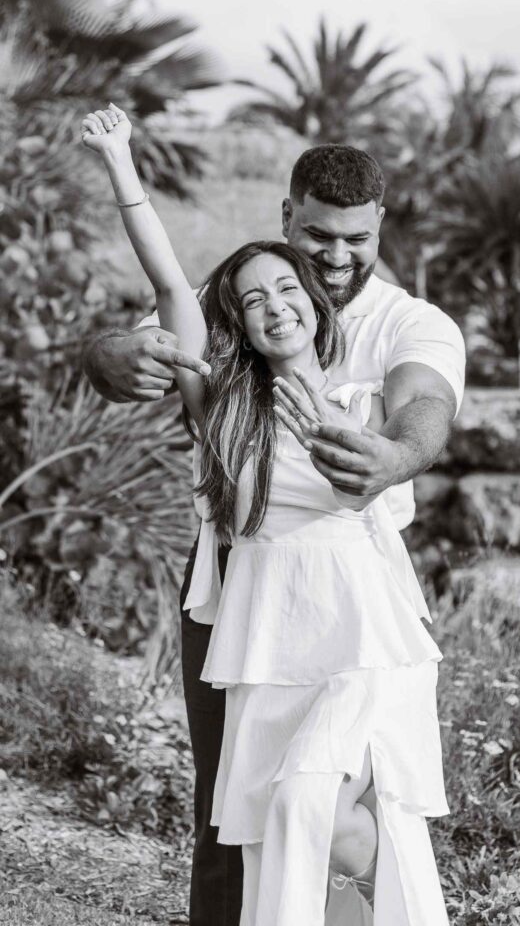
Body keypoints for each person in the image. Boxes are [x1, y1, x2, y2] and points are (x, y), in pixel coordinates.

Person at [82, 105, 465, 926]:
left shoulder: (387, 345)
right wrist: (119, 164)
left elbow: (423, 403)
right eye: (261, 294)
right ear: (289, 220)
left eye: (351, 244)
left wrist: (393, 456)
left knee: (327, 810)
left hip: (358, 618)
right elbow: (164, 287)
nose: (327, 264)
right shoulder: (222, 390)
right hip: (249, 604)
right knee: (246, 817)